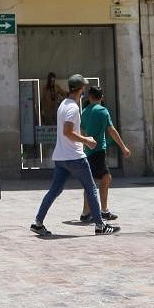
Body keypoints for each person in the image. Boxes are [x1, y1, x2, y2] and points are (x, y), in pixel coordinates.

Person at [29, 74, 119, 237]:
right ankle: (100, 226)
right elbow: (68, 132)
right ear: (80, 89)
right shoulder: (72, 108)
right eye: (83, 87)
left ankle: (38, 223)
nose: (84, 90)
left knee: (54, 190)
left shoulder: (63, 104)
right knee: (91, 188)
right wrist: (87, 141)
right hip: (75, 157)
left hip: (61, 157)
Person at [79, 86, 131, 222]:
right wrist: (124, 147)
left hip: (88, 151)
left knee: (91, 182)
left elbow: (82, 133)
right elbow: (112, 131)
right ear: (101, 97)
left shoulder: (84, 112)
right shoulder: (103, 111)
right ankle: (103, 211)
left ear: (89, 97)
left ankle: (86, 213)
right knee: (105, 178)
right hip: (98, 151)